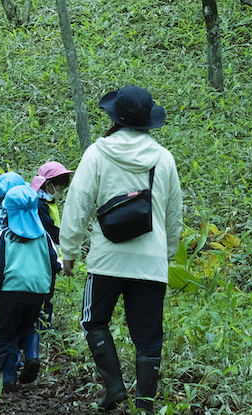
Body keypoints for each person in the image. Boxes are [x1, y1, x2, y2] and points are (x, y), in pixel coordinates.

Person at [60, 86, 183, 412]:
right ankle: (144, 406)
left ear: (115, 118)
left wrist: (68, 250)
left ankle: (114, 386)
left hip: (107, 260)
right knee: (149, 339)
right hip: (151, 264)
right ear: (147, 121)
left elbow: (78, 202)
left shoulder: (98, 154)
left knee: (93, 320)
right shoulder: (164, 159)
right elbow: (173, 214)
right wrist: (166, 253)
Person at [0, 184, 59, 392]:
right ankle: (32, 357)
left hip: (11, 292)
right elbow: (56, 264)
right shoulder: (45, 237)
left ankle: (9, 378)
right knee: (29, 327)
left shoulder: (5, 237)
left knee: (4, 334)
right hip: (38, 293)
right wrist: (48, 293)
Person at [18, 160, 74, 383]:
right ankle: (41, 327)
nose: (60, 191)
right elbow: (49, 232)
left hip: (49, 255)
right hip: (42, 257)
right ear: (48, 185)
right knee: (44, 293)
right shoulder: (37, 206)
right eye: (58, 187)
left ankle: (40, 326)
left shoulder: (45, 203)